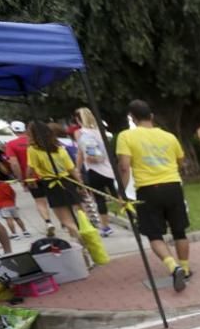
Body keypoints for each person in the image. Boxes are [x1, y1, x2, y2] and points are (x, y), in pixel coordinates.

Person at [116, 99, 191, 291]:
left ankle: (172, 267)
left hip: (148, 189)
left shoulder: (126, 137)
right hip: (173, 186)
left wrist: (122, 193)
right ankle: (186, 267)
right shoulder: (169, 137)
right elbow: (180, 161)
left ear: (132, 118)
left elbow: (124, 167)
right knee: (179, 230)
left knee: (154, 233)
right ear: (151, 116)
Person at [25, 122, 86, 242]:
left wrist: (29, 180)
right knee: (78, 216)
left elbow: (31, 169)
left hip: (51, 185)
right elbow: (71, 169)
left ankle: (81, 239)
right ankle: (82, 238)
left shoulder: (33, 149)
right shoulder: (59, 148)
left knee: (66, 221)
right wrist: (81, 184)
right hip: (68, 183)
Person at [5, 121, 56, 237]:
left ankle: (48, 222)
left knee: (40, 202)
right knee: (54, 200)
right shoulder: (36, 141)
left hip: (31, 178)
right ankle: (64, 222)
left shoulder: (11, 144)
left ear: (13, 130)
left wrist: (21, 179)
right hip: (47, 175)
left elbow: (14, 164)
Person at [73, 107, 117, 237]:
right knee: (118, 196)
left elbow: (80, 153)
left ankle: (105, 226)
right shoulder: (101, 132)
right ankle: (134, 217)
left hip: (94, 170)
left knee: (100, 199)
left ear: (77, 120)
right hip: (109, 169)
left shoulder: (80, 133)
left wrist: (78, 169)